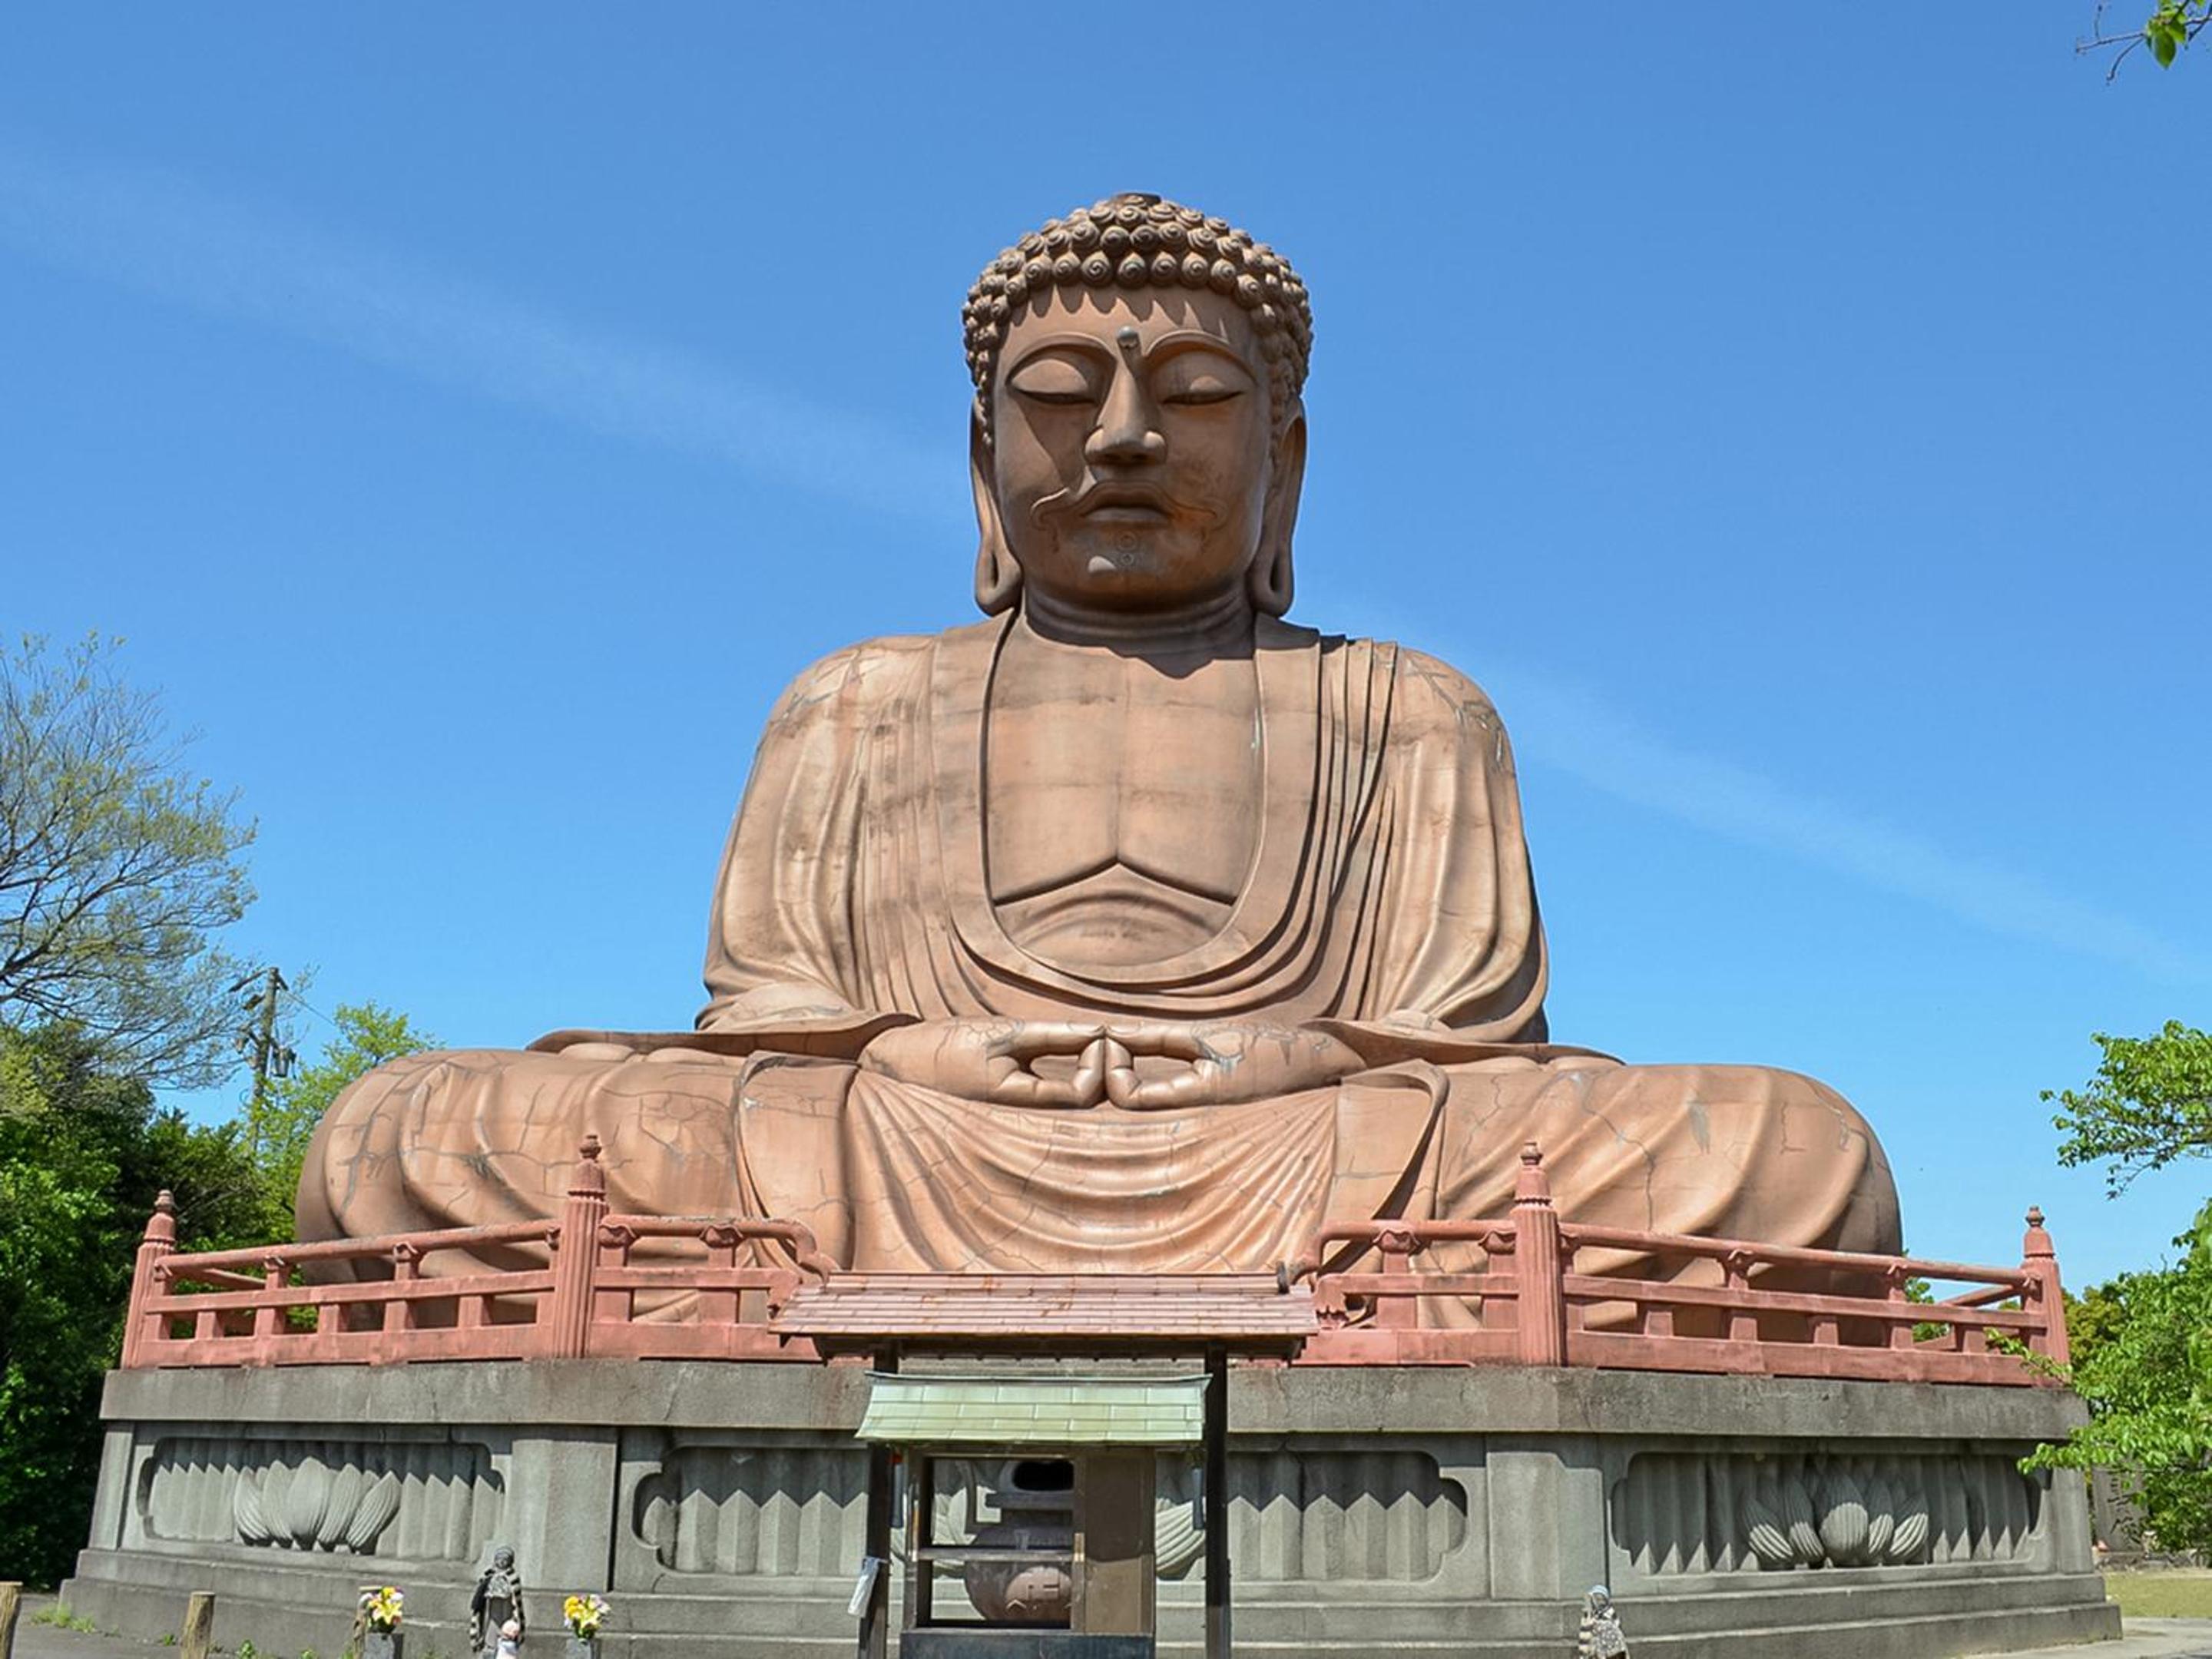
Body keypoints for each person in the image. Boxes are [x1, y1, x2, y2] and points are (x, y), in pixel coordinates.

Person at [296, 195, 1899, 1300]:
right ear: (981, 459)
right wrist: (912, 1057)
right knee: (408, 1125)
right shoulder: (855, 699)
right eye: (1061, 394)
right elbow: (767, 1033)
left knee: (1792, 1143)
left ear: (1284, 459)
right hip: (909, 1139)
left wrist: (1309, 1058)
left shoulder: (1409, 708)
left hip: (1310, 1144)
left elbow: (1472, 1055)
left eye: (1194, 395)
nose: (1124, 436)